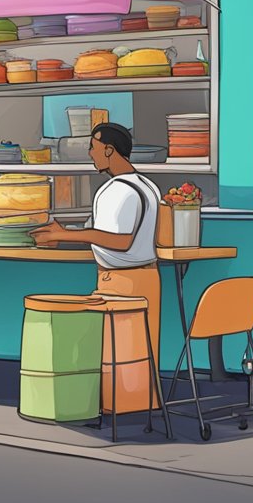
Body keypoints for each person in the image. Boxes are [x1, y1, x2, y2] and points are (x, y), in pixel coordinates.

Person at [31, 123, 164, 356]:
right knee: (143, 355)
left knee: (117, 356)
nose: (90, 153)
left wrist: (61, 235)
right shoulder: (148, 185)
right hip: (149, 278)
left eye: (93, 147)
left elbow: (120, 241)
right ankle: (144, 394)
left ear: (109, 150)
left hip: (122, 282)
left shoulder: (116, 190)